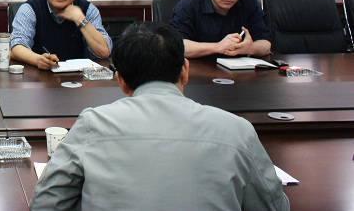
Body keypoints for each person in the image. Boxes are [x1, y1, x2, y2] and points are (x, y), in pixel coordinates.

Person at [30, 22, 289, 210]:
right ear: (185, 71)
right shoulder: (238, 130)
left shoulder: (93, 124)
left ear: (121, 81)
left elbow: (45, 204)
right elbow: (275, 206)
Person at [10, 0, 112, 70]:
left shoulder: (88, 10)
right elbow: (16, 47)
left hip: (78, 76)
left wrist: (80, 20)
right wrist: (38, 60)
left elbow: (103, 52)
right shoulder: (30, 9)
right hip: (39, 75)